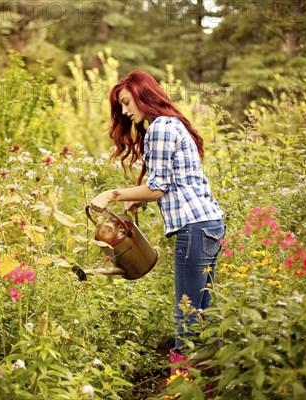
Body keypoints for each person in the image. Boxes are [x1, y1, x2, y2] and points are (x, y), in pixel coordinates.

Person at [89, 70, 225, 375]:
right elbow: (170, 181)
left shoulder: (160, 128)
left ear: (143, 94)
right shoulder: (171, 124)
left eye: (126, 103)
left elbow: (158, 187)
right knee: (205, 310)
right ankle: (212, 381)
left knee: (186, 312)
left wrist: (112, 193)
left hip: (194, 228)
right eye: (121, 106)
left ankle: (183, 385)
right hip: (210, 224)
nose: (124, 111)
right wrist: (138, 197)